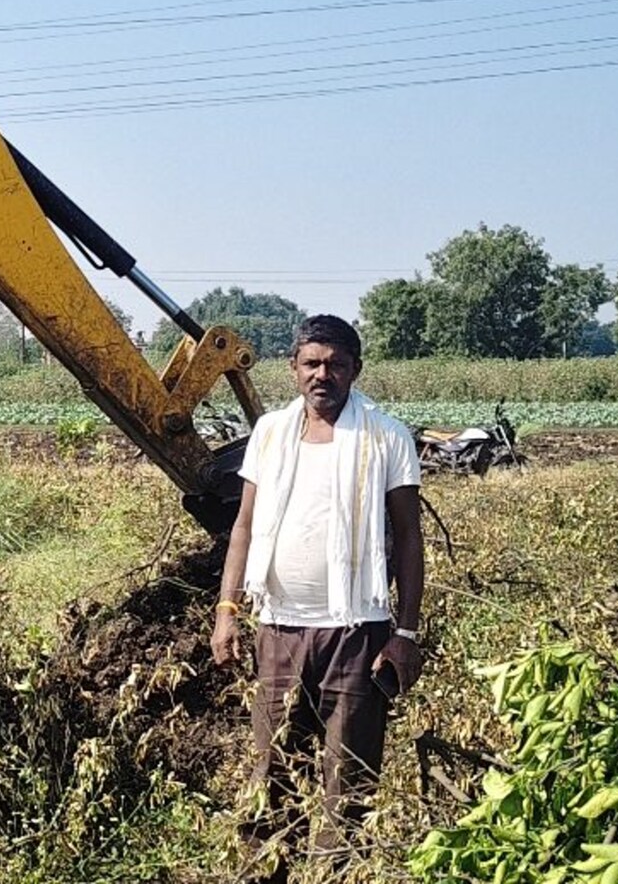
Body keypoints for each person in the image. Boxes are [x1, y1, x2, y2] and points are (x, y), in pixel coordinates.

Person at [210, 314, 425, 875]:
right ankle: (267, 872)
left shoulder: (386, 436)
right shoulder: (272, 434)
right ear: (294, 368)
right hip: (279, 629)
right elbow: (245, 527)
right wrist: (227, 611)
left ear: (356, 370)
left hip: (358, 634)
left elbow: (407, 536)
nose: (322, 375)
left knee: (348, 778)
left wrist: (404, 634)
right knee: (273, 771)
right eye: (312, 363)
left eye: (335, 364)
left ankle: (337, 873)